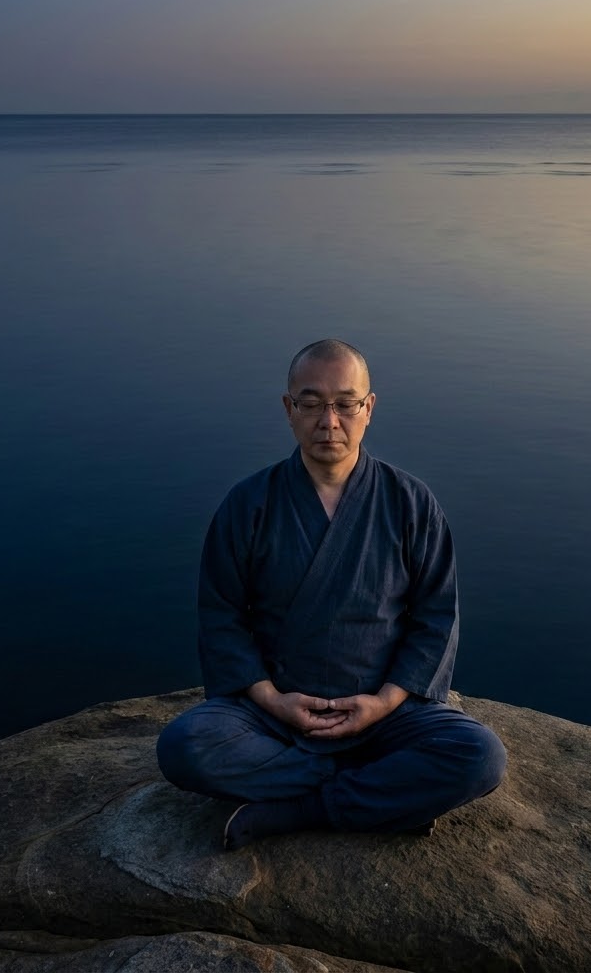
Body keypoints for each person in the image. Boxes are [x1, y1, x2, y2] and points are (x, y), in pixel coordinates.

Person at [157, 339, 506, 850]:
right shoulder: (249, 504)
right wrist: (271, 700)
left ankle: (299, 807)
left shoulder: (410, 503)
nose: (329, 421)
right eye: (311, 402)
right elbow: (222, 616)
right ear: (288, 409)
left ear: (369, 408)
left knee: (480, 756)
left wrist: (385, 702)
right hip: (275, 714)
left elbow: (435, 617)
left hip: (383, 713)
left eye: (345, 403)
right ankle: (386, 793)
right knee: (183, 747)